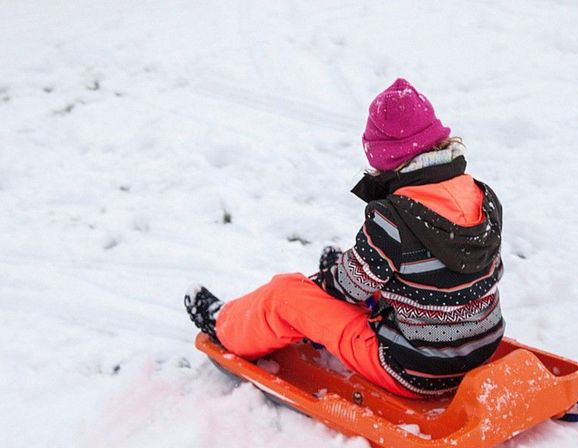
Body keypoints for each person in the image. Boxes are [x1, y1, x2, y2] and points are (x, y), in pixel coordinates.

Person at [185, 78, 504, 399]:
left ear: (384, 157)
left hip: (415, 370)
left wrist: (325, 284)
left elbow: (347, 287)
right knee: (413, 272)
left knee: (286, 294)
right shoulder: (481, 196)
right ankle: (363, 270)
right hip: (481, 350)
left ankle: (225, 325)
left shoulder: (394, 218)